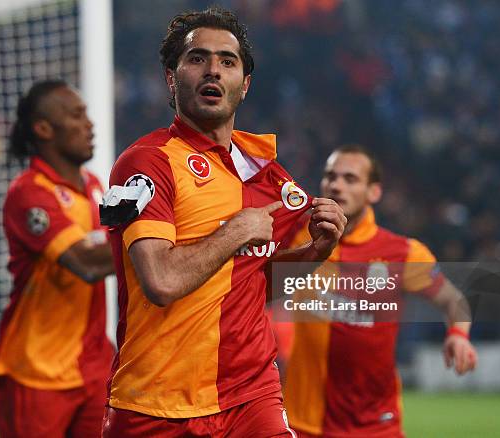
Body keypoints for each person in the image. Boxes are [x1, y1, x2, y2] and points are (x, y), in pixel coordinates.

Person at [100, 7, 346, 437]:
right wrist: (233, 232)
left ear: (244, 85)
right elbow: (160, 282)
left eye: (227, 62)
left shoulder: (268, 175)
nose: (213, 70)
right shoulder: (147, 163)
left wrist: (315, 252)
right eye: (197, 58)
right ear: (171, 78)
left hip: (251, 396)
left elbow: (257, 283)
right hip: (154, 406)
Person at [278, 145, 478, 438]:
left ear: (374, 192)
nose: (336, 185)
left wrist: (458, 336)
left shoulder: (402, 253)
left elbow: (453, 300)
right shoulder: (297, 235)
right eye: (330, 176)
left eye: (350, 179)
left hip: (375, 425)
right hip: (303, 422)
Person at [0, 79, 115, 438]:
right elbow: (87, 264)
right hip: (36, 371)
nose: (89, 124)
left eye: (87, 114)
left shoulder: (94, 187)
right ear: (44, 128)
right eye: (76, 115)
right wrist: (155, 236)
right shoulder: (29, 193)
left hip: (94, 367)